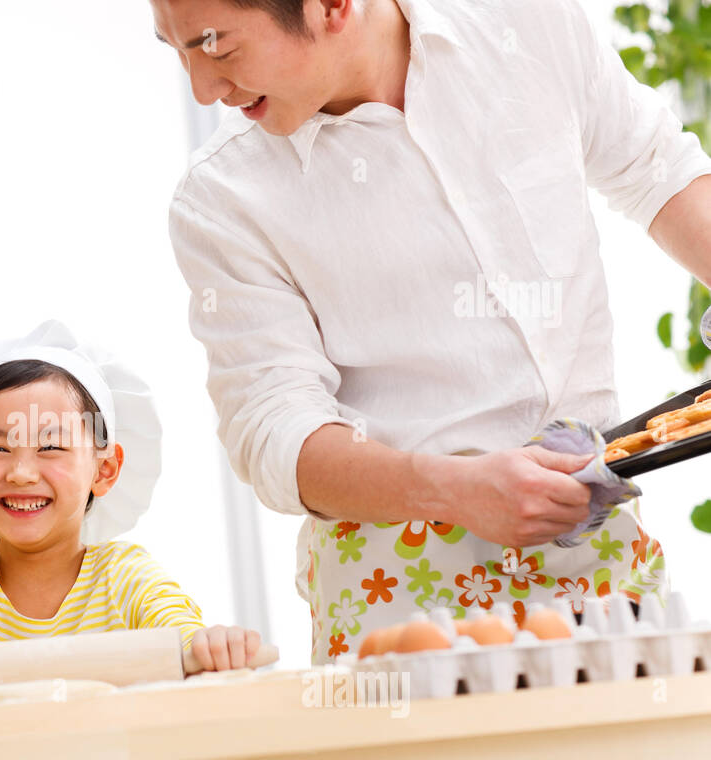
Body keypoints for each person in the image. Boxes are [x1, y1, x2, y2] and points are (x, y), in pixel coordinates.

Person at [156, 0, 711, 662]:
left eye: (216, 49)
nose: (202, 87)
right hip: (394, 586)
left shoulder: (525, 25)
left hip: (596, 551)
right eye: (176, 49)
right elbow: (274, 432)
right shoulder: (222, 197)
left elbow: (657, 168)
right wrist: (453, 488)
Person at [0, 321, 268, 672]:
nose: (21, 473)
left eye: (51, 447)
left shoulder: (126, 577)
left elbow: (185, 639)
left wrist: (213, 647)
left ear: (104, 469)